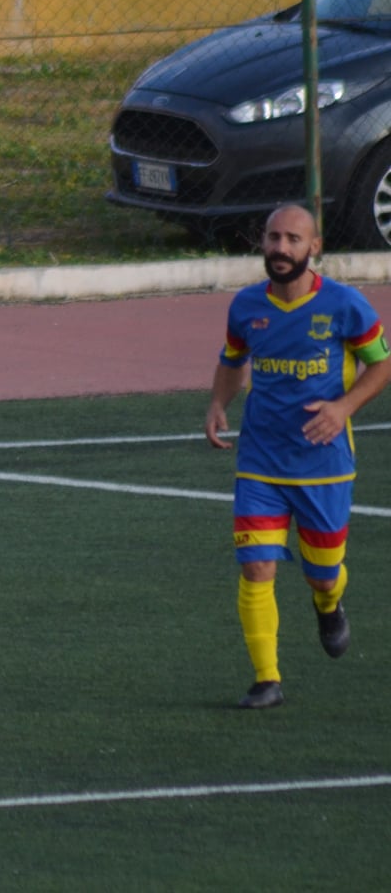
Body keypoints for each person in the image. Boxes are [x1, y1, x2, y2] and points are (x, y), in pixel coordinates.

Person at [205, 203, 391, 709]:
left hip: (324, 464)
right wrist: (219, 402)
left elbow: (381, 365)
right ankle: (267, 679)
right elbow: (232, 359)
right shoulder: (246, 306)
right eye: (273, 238)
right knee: (256, 568)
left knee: (322, 573)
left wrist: (344, 407)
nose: (280, 248)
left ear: (314, 248)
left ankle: (328, 605)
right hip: (260, 462)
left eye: (292, 239)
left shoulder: (346, 306)